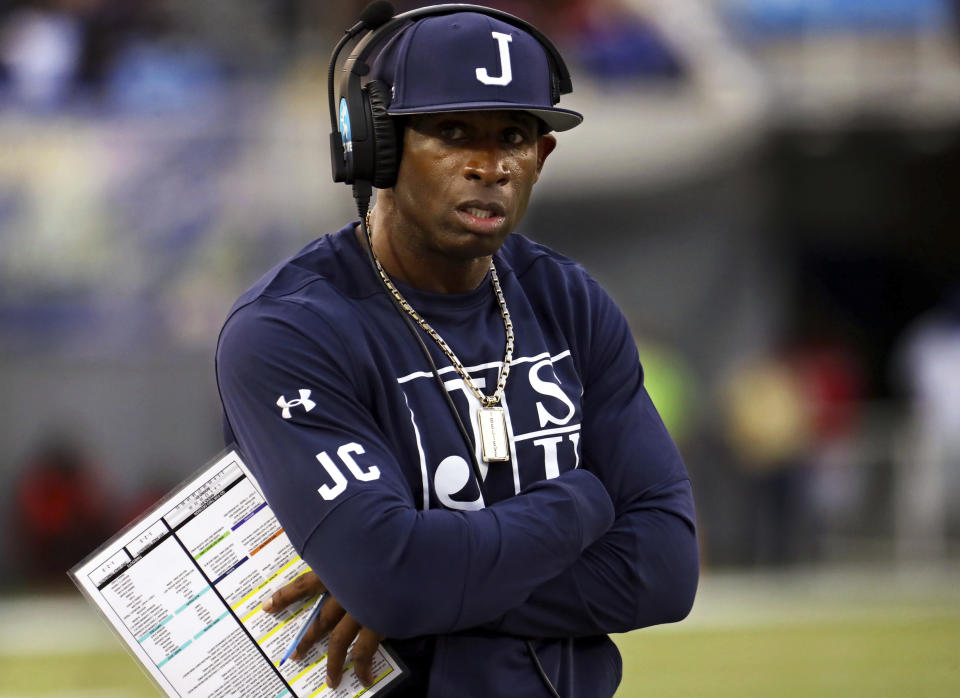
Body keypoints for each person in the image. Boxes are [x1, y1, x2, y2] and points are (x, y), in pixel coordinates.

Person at [216, 5, 698, 697]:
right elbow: (395, 579)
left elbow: (665, 570)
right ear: (375, 147)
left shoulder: (568, 299)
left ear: (543, 156)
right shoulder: (289, 330)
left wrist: (430, 593)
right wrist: (587, 501)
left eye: (513, 136)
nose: (489, 165)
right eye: (451, 132)